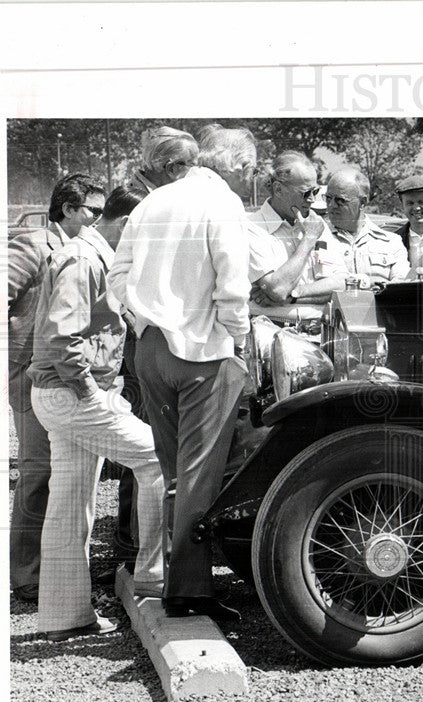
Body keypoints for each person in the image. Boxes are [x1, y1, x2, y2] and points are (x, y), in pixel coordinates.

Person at [109, 126, 257, 624]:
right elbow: (233, 283)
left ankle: (174, 578)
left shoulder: (152, 203)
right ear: (230, 166)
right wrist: (238, 340)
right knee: (198, 477)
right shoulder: (223, 203)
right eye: (248, 169)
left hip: (151, 348)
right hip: (202, 351)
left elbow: (117, 273)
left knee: (175, 473)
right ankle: (189, 589)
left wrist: (140, 320)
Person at [29, 187, 165, 640]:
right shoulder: (86, 259)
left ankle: (65, 617)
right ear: (127, 224)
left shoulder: (87, 255)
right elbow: (63, 335)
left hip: (61, 393)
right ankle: (152, 575)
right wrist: (91, 392)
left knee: (69, 506)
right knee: (157, 459)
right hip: (73, 394)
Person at [8, 172, 106, 604]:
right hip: (32, 374)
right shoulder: (32, 245)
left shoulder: (84, 248)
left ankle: (56, 571)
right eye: (93, 212)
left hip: (61, 375)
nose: (99, 222)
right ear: (68, 209)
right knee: (38, 473)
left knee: (65, 475)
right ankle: (27, 574)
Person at [109, 126, 198, 586]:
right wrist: (142, 320)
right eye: (188, 167)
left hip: (156, 339)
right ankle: (134, 546)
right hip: (147, 341)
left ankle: (143, 545)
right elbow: (122, 273)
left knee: (155, 447)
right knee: (146, 449)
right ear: (170, 167)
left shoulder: (153, 196)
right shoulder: (141, 201)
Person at [285, 168, 409, 303]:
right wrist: (370, 283)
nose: (331, 206)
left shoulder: (391, 242)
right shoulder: (313, 238)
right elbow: (298, 287)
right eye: (328, 198)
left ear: (363, 202)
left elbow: (400, 288)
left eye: (340, 200)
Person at [246, 150, 334, 318]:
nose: (312, 200)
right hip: (271, 330)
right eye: (306, 193)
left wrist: (293, 297)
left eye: (315, 192)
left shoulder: (316, 224)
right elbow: (278, 290)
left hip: (322, 330)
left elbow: (342, 283)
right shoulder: (252, 228)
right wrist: (309, 239)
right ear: (278, 189)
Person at [125, 125, 199, 197]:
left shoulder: (156, 196)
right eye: (192, 166)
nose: (196, 172)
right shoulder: (134, 200)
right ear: (171, 169)